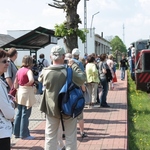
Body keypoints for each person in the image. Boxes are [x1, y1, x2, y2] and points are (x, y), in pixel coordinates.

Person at [38, 45, 86, 150]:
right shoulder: (69, 71)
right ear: (63, 56)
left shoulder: (45, 72)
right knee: (70, 137)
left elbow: (40, 79)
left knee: (50, 136)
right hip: (69, 107)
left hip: (52, 109)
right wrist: (73, 65)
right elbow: (82, 78)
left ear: (51, 57)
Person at [13, 55, 36, 140]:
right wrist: (27, 85)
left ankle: (16, 132)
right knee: (25, 114)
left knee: (19, 113)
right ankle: (24, 134)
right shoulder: (28, 71)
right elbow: (32, 80)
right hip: (27, 92)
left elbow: (15, 84)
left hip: (20, 92)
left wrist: (20, 86)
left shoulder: (19, 70)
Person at [0, 49, 15, 150]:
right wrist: (11, 105)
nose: (7, 64)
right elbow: (8, 112)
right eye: (4, 61)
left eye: (8, 61)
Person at [72, 48, 88, 138]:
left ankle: (65, 132)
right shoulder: (79, 64)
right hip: (77, 89)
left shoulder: (67, 63)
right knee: (79, 112)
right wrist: (83, 88)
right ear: (78, 55)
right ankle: (82, 132)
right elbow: (81, 77)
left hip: (68, 90)